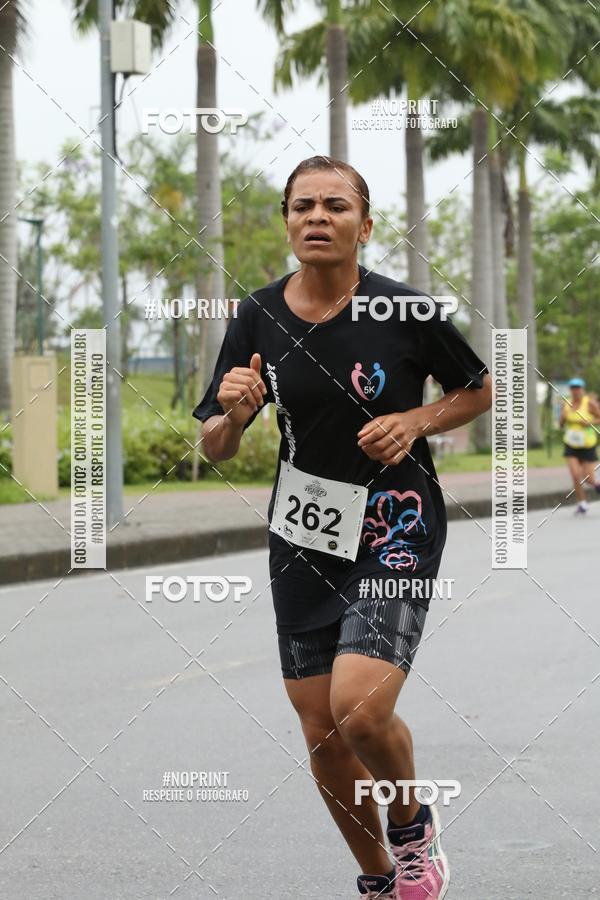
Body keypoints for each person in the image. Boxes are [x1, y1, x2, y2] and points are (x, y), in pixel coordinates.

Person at [193, 156, 492, 899]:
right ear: (287, 221)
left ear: (365, 223)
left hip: (397, 522)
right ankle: (380, 878)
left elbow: (480, 387)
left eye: (334, 205)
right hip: (304, 534)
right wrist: (231, 414)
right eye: (302, 207)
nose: (316, 218)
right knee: (322, 734)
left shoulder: (406, 311)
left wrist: (417, 419)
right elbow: (215, 445)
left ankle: (414, 825)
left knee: (358, 708)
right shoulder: (257, 314)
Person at [558, 377, 600, 515]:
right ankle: (582, 504)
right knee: (575, 475)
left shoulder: (590, 404)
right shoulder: (566, 404)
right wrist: (563, 418)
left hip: (587, 444)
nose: (576, 391)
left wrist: (590, 422)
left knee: (589, 479)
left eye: (578, 388)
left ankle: (596, 484)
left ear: (583, 389)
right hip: (571, 444)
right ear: (570, 390)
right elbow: (561, 425)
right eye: (573, 388)